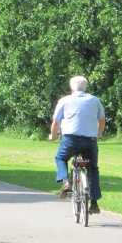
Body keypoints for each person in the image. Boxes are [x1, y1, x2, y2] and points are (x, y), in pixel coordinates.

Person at [48, 76, 106, 214]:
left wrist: (53, 136)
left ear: (72, 88)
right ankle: (94, 203)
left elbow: (56, 122)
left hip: (70, 139)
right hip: (89, 140)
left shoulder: (65, 100)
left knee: (60, 158)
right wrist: (99, 133)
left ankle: (66, 182)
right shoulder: (94, 100)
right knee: (93, 169)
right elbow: (102, 119)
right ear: (85, 87)